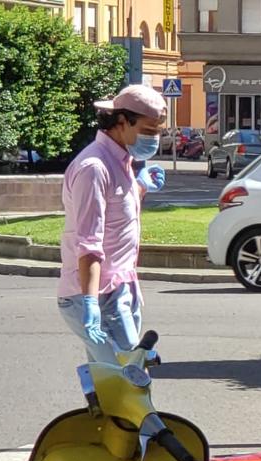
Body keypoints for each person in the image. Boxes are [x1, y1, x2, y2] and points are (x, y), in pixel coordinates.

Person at [57, 84, 167, 363]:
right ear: (121, 122)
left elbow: (117, 218)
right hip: (97, 294)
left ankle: (100, 405)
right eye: (149, 130)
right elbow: (89, 243)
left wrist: (140, 187)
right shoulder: (94, 168)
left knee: (118, 384)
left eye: (158, 131)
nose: (154, 139)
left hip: (120, 287)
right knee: (128, 380)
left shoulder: (121, 160)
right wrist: (90, 302)